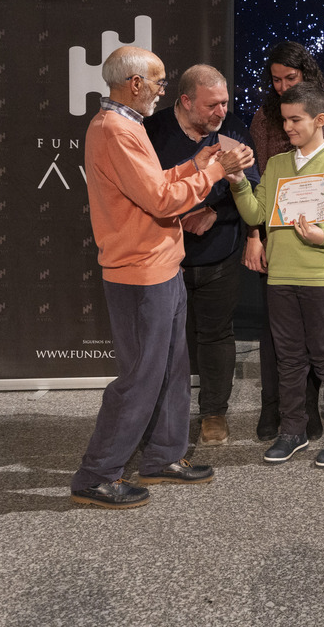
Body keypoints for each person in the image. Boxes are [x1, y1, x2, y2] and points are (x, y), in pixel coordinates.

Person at [70, 46, 254, 508]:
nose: (160, 89)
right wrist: (213, 169)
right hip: (139, 272)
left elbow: (159, 182)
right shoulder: (114, 130)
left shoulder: (126, 126)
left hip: (162, 265)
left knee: (172, 370)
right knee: (140, 378)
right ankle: (96, 474)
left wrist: (200, 161)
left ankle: (162, 458)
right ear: (134, 84)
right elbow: (161, 201)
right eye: (156, 81)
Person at [230, 81, 324, 467]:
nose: (288, 127)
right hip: (280, 278)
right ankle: (293, 430)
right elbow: (257, 214)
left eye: (295, 120)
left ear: (320, 120)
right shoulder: (275, 165)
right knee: (288, 360)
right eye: (284, 120)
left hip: (321, 278)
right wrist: (239, 182)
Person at [144, 64, 260, 446]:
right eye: (212, 105)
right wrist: (184, 212)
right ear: (186, 101)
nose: (221, 112)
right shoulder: (151, 132)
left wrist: (215, 211)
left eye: (225, 103)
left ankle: (214, 413)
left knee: (215, 335)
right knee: (162, 340)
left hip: (219, 254)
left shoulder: (235, 132)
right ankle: (159, 415)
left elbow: (251, 190)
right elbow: (145, 191)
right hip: (163, 257)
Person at [247, 41, 324, 442]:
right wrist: (253, 236)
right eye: (275, 80)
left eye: (289, 78)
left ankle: (320, 418)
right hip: (278, 244)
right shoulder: (264, 118)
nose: (280, 87)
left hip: (321, 243)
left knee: (323, 345)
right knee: (280, 340)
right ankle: (277, 413)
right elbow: (259, 186)